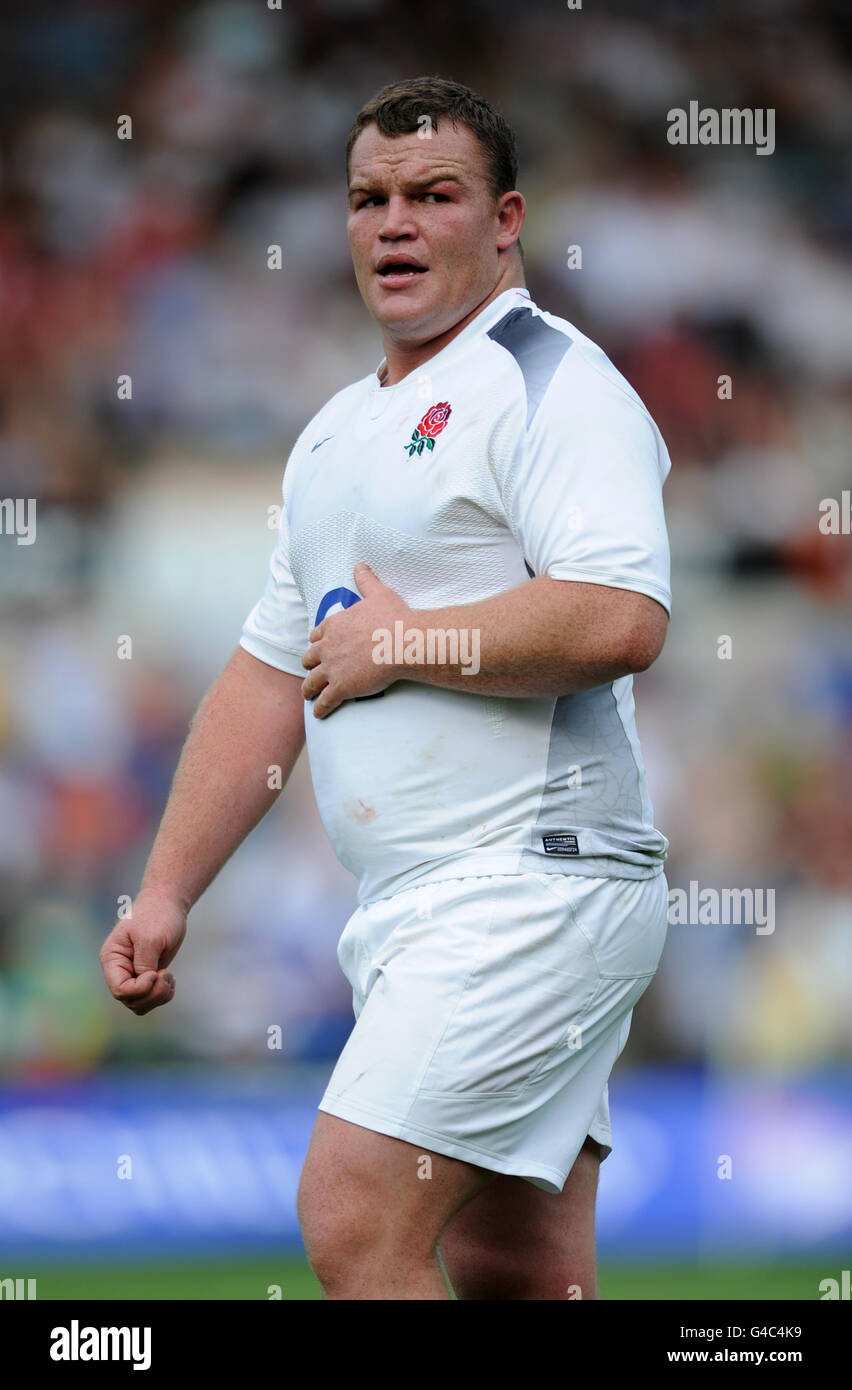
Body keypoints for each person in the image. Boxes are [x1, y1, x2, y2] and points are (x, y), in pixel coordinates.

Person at [100, 75, 672, 1301]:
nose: (394, 224)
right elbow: (268, 675)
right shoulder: (332, 435)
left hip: (534, 883)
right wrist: (164, 889)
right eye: (370, 198)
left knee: (353, 1216)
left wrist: (412, 643)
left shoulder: (553, 381)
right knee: (517, 1270)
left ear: (506, 219)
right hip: (422, 904)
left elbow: (624, 616)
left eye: (434, 195)